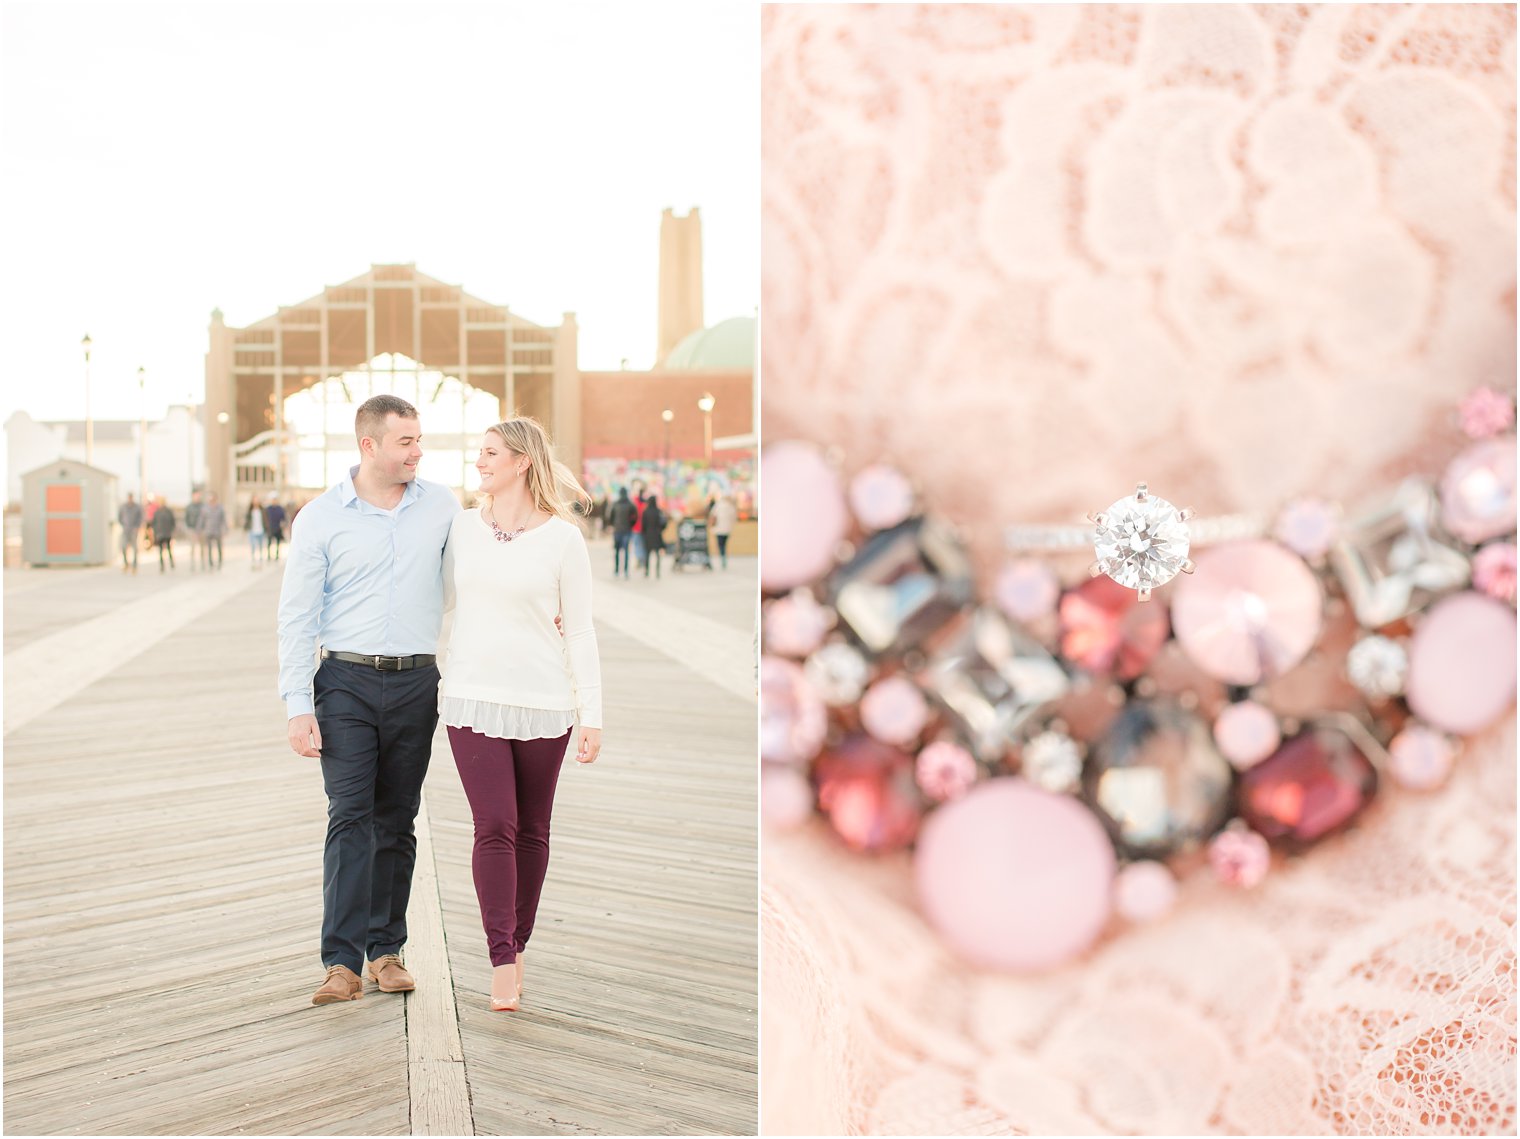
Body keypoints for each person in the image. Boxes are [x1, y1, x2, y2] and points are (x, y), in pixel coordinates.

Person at [277, 394, 457, 1006]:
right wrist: (297, 703)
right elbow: (297, 615)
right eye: (404, 441)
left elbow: (472, 582)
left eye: (418, 439)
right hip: (345, 682)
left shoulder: (442, 507)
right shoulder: (321, 518)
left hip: (416, 682)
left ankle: (386, 951)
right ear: (368, 446)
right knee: (349, 815)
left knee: (397, 819)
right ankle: (340, 963)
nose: (417, 451)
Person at [440, 415, 602, 1012]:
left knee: (533, 830)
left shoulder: (563, 540)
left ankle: (520, 941)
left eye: (489, 453)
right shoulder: (460, 529)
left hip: (546, 703)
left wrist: (593, 715)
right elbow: (434, 603)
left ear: (521, 461)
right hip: (470, 700)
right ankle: (502, 957)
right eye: (478, 452)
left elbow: (580, 630)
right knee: (495, 825)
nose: (479, 462)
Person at [609, 487, 636, 578]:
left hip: (617, 530)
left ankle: (616, 570)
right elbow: (635, 517)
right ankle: (625, 571)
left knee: (617, 551)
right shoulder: (630, 504)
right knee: (626, 552)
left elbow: (610, 517)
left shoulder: (615, 504)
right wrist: (631, 525)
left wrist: (614, 524)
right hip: (627, 530)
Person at [709, 494, 738, 570]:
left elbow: (712, 515)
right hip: (727, 529)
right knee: (724, 544)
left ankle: (722, 557)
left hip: (718, 529)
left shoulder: (717, 505)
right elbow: (734, 518)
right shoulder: (730, 506)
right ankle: (723, 557)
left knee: (720, 544)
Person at [641, 494, 666, 579]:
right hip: (657, 535)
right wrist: (661, 529)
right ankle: (657, 571)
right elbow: (663, 523)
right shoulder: (658, 511)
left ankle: (646, 571)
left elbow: (643, 525)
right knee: (657, 555)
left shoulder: (645, 512)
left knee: (647, 554)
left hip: (648, 535)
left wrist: (644, 533)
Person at [117, 493, 143, 573]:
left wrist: (137, 527)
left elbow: (140, 517)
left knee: (135, 549)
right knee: (123, 547)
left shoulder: (137, 507)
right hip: (125, 530)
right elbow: (119, 517)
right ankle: (126, 563)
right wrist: (123, 525)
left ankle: (134, 566)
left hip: (133, 530)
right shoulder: (123, 507)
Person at [202, 492, 226, 569]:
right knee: (209, 548)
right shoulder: (205, 508)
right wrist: (200, 529)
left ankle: (220, 561)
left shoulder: (220, 508)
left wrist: (225, 529)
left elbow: (223, 519)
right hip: (208, 530)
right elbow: (202, 519)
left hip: (217, 530)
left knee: (219, 547)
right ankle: (210, 562)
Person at [151, 497, 176, 572]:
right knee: (161, 550)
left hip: (167, 533)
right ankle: (162, 565)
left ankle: (171, 562)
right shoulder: (157, 512)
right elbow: (154, 523)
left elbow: (172, 521)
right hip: (159, 533)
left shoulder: (168, 511)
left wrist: (171, 530)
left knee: (169, 549)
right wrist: (155, 532)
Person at [184, 491, 205, 571]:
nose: (197, 497)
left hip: (201, 530)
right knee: (192, 547)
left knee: (202, 547)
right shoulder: (189, 507)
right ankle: (192, 563)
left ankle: (203, 562)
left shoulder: (203, 506)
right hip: (192, 529)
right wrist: (189, 527)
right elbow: (186, 518)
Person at [265, 495, 287, 561]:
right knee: (269, 542)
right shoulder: (268, 509)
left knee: (278, 543)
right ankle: (269, 555)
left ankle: (277, 555)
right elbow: (265, 517)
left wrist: (283, 525)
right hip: (270, 528)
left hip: (278, 528)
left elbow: (283, 518)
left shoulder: (280, 509)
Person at [246, 495, 266, 568]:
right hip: (252, 531)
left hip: (261, 530)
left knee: (261, 546)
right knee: (253, 546)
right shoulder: (250, 511)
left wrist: (266, 528)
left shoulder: (262, 510)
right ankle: (253, 560)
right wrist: (245, 529)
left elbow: (265, 520)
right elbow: (247, 521)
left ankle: (260, 559)